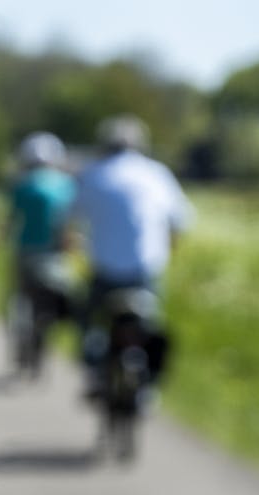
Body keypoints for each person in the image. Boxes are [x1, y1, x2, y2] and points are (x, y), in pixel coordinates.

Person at [69, 115, 194, 393]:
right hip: (145, 270)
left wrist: (72, 239)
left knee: (88, 320)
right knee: (151, 324)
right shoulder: (157, 173)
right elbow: (181, 220)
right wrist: (170, 245)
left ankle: (93, 371)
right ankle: (150, 388)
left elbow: (70, 215)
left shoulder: (93, 173)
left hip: (105, 270)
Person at [3, 132, 76, 378]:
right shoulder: (66, 184)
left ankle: (20, 344)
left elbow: (10, 220)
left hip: (25, 251)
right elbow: (70, 224)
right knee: (51, 306)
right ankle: (42, 345)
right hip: (54, 255)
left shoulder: (20, 184)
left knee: (19, 300)